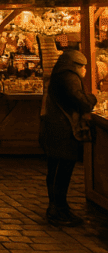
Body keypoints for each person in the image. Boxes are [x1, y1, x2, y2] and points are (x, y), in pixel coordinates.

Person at [40, 50, 97, 226]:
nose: (85, 71)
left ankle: (58, 207)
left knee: (56, 170)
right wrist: (93, 98)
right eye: (84, 67)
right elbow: (81, 101)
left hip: (56, 128)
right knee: (61, 171)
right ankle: (58, 209)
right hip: (64, 130)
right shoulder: (68, 77)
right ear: (76, 66)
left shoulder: (60, 74)